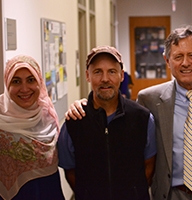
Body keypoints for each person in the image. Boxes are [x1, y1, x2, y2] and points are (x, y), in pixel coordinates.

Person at [66, 26, 192, 200]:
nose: (185, 63)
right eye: (178, 57)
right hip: (172, 193)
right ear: (167, 60)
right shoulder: (149, 99)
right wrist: (83, 104)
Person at [57, 46, 156, 200]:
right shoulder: (74, 122)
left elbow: (149, 166)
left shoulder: (142, 118)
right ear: (87, 76)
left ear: (122, 76)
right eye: (97, 72)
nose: (105, 79)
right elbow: (70, 171)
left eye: (111, 71)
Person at [0, 55, 64, 200]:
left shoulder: (48, 116)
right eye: (16, 81)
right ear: (7, 84)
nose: (25, 88)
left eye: (31, 79)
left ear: (39, 82)